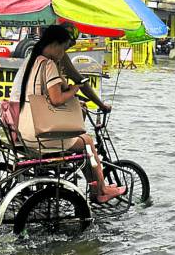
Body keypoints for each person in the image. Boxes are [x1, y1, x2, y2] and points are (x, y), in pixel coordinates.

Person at [15, 25, 125, 202]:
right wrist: (74, 90)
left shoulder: (34, 60)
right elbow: (57, 99)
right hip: (40, 137)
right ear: (56, 44)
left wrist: (70, 89)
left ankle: (97, 186)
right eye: (65, 47)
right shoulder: (49, 64)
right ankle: (101, 191)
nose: (65, 52)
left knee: (81, 142)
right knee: (87, 141)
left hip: (25, 129)